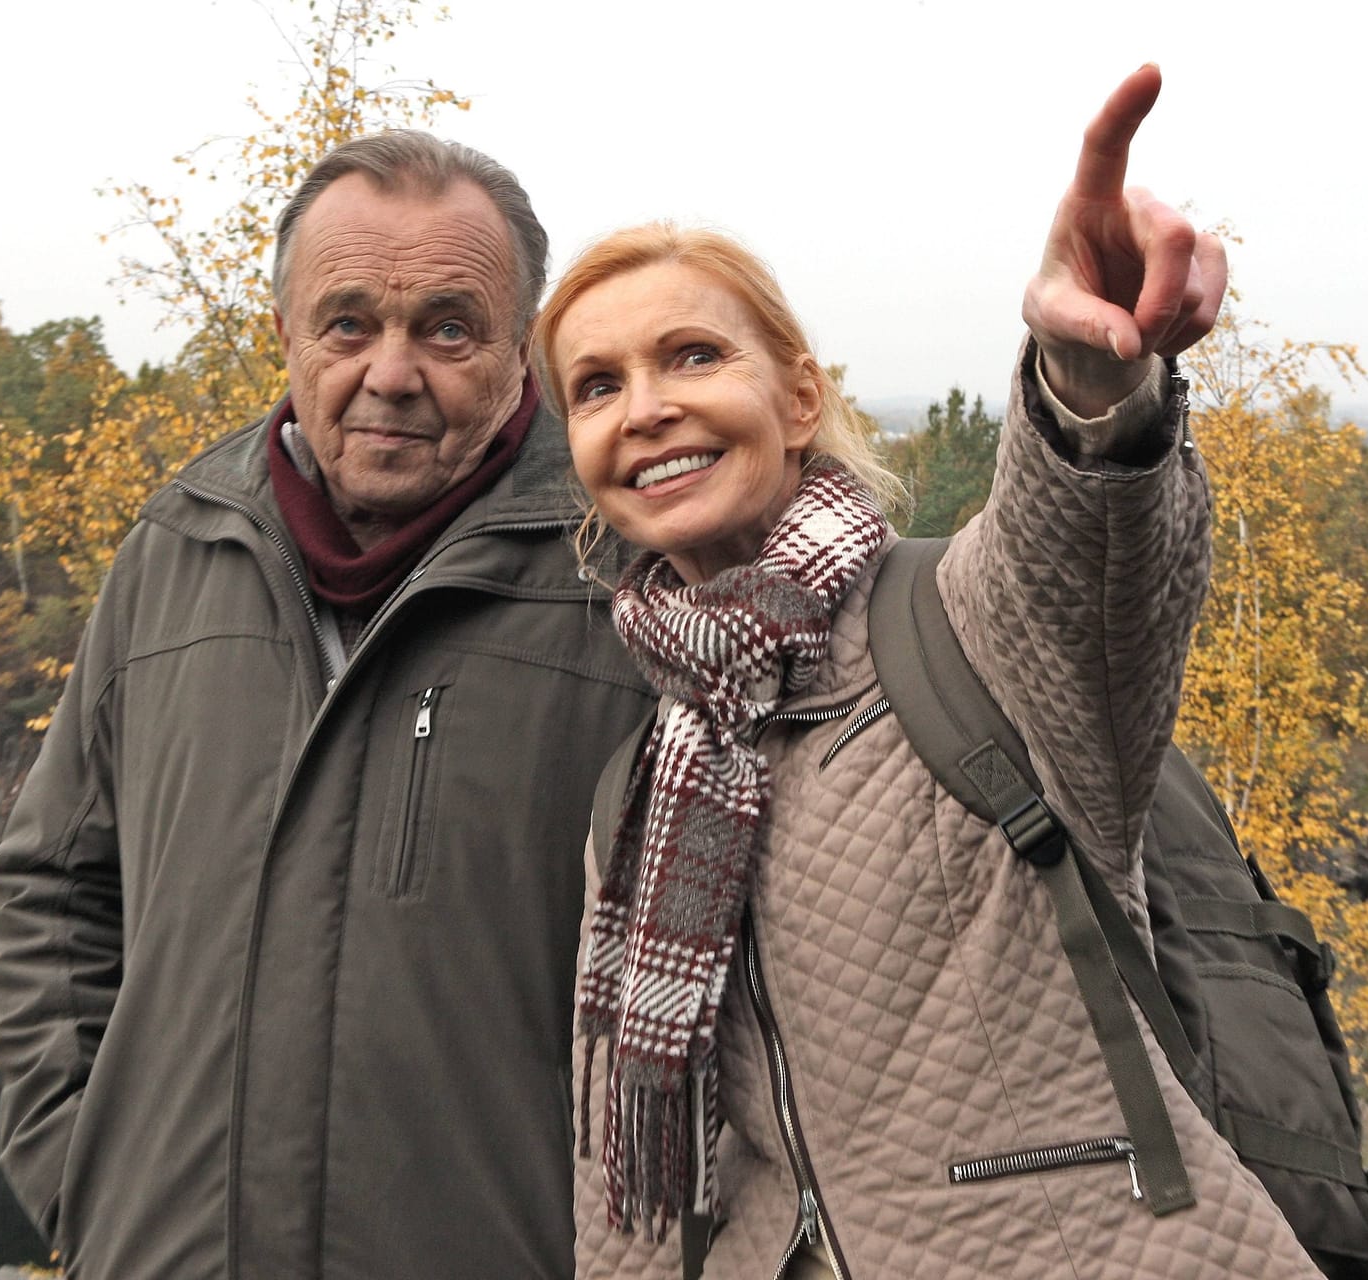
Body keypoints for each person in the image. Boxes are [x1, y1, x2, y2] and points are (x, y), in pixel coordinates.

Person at [540, 66, 1327, 1277]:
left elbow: (1083, 544)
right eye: (597, 386)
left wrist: (1092, 373)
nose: (644, 408)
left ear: (798, 396)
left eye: (691, 355)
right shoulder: (646, 785)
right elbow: (626, 1199)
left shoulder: (965, 627)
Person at [0, 134, 653, 1278]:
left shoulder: (627, 584)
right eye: (348, 322)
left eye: (447, 326)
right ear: (285, 334)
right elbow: (52, 885)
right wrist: (80, 1176)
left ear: (517, 350)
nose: (391, 371)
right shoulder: (177, 548)